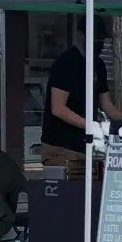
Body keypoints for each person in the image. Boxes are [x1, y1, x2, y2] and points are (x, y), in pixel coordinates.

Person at [41, 21, 96, 166]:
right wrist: (90, 126)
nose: (99, 43)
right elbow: (58, 109)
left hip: (86, 145)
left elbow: (107, 104)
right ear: (80, 36)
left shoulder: (98, 65)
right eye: (95, 38)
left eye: (102, 39)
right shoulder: (66, 64)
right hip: (61, 145)